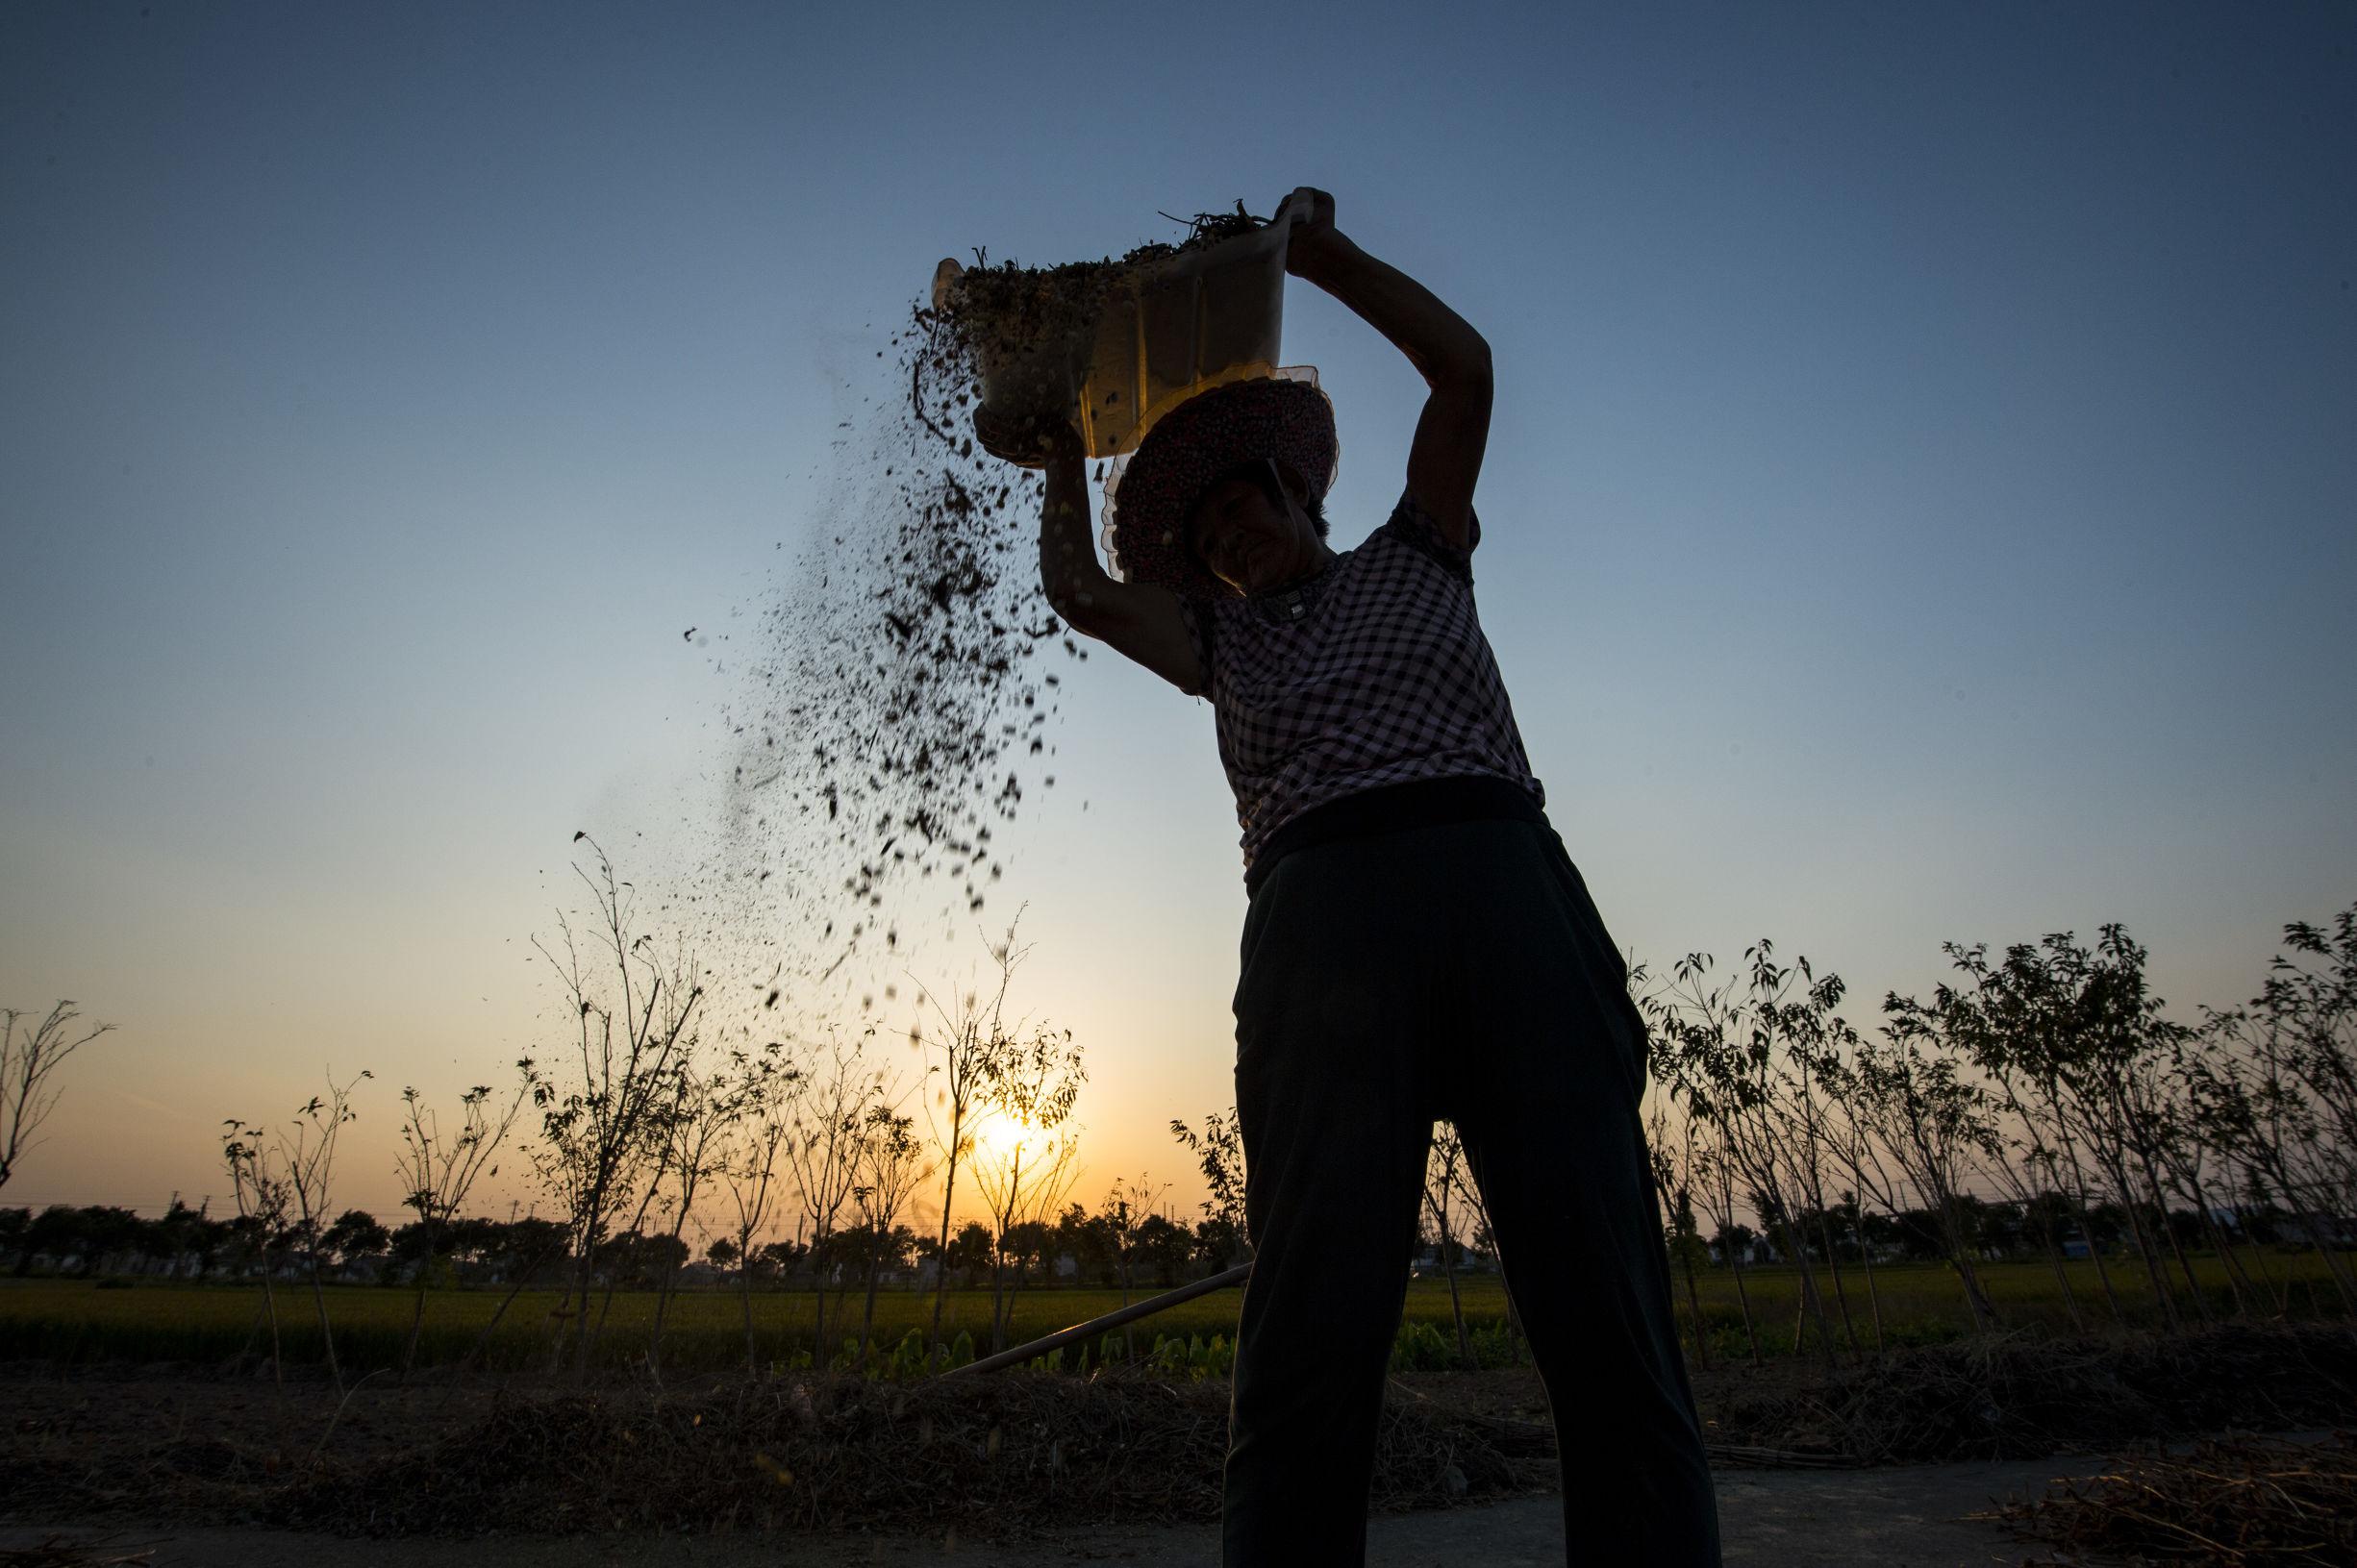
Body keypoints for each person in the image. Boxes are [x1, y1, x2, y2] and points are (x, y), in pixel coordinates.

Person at [1026, 187, 1722, 1566]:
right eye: (1206, 541)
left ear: (1299, 492)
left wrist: (1323, 256)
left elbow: (1464, 370)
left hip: (1504, 893)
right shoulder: (1222, 650)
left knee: (1603, 1303)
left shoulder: (1421, 553)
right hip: (1322, 937)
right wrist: (1056, 448)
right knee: (1312, 1325)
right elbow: (1082, 593)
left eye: (1245, 508)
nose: (1230, 540)